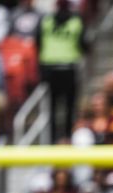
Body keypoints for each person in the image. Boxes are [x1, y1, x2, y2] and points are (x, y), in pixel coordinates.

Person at [36, 0, 89, 142]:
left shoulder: (46, 21)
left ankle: (53, 140)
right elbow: (83, 45)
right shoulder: (76, 22)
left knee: (52, 108)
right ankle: (67, 138)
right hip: (68, 68)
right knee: (69, 107)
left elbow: (38, 43)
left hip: (50, 68)